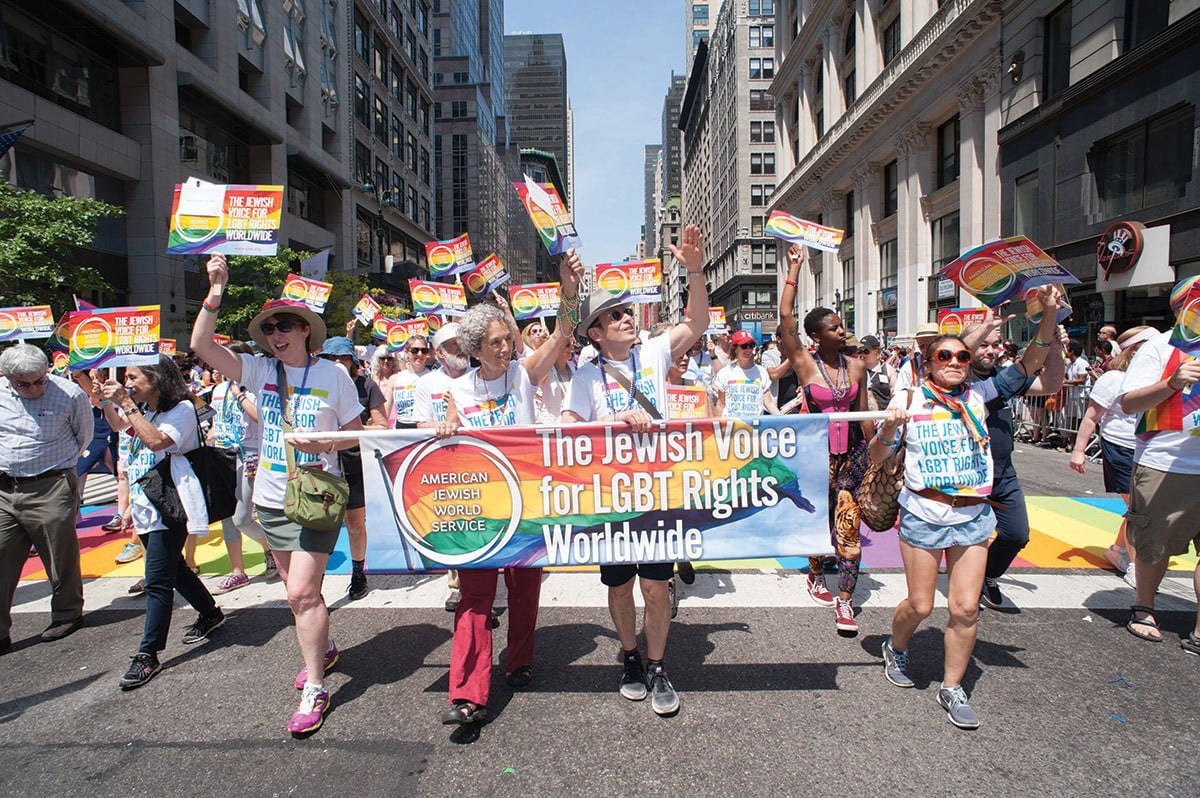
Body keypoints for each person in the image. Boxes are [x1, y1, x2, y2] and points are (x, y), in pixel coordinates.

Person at [192, 254, 364, 736]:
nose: (276, 334)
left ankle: (315, 684)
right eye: (270, 328)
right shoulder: (256, 369)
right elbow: (201, 343)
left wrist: (325, 442)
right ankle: (324, 648)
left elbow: (357, 435)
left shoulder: (334, 375)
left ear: (305, 329)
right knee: (298, 599)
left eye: (286, 325)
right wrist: (216, 289)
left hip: (317, 498)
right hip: (270, 499)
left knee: (301, 592)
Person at [562, 224, 709, 716]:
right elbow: (566, 431)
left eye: (628, 310)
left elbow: (699, 321)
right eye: (615, 314)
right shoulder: (585, 376)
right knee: (620, 585)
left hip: (658, 490)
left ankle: (659, 664)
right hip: (609, 497)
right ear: (596, 333)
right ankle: (629, 658)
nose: (628, 317)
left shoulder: (655, 351)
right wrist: (613, 419)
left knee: (655, 586)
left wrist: (693, 267)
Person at [437, 251, 582, 727]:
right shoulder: (456, 391)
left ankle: (519, 661)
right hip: (480, 511)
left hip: (527, 504)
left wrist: (567, 288)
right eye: (496, 342)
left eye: (508, 339)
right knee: (474, 598)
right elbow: (440, 440)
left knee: (524, 591)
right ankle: (468, 694)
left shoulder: (524, 374)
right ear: (475, 350)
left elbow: (562, 333)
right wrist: (445, 426)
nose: (507, 348)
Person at [873, 334, 999, 730]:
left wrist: (1047, 319)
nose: (956, 361)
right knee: (921, 605)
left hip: (974, 514)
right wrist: (890, 430)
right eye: (945, 355)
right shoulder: (909, 399)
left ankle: (952, 687)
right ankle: (896, 647)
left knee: (965, 607)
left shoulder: (976, 396)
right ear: (927, 363)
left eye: (963, 355)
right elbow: (877, 456)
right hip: (924, 514)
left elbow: (1032, 369)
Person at [98, 355, 224, 689]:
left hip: (169, 504)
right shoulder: (146, 409)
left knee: (156, 580)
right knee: (174, 569)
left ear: (156, 378)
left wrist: (126, 403)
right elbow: (118, 426)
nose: (128, 383)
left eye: (134, 377)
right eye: (125, 378)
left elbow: (156, 441)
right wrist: (109, 399)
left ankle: (148, 654)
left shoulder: (180, 410)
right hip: (145, 503)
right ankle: (210, 612)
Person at [779, 244, 873, 634]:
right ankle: (815, 572)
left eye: (842, 325)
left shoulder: (857, 365)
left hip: (852, 458)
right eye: (833, 327)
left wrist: (880, 455)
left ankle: (845, 601)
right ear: (816, 336)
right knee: (820, 523)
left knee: (848, 528)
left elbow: (866, 415)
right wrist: (795, 269)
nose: (842, 329)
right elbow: (785, 316)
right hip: (815, 458)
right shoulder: (804, 362)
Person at [962, 291, 1066, 609]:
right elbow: (955, 353)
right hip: (967, 473)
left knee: (1016, 534)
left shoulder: (1001, 377)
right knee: (967, 538)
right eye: (985, 343)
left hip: (1004, 472)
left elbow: (1049, 384)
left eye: (997, 344)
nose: (993, 350)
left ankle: (987, 575)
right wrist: (983, 326)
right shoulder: (956, 380)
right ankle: (967, 586)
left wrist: (1057, 346)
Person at [1118, 276, 1200, 653]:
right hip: (1167, 464)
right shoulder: (1160, 346)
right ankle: (1144, 607)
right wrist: (1171, 382)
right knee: (1154, 546)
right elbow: (1129, 403)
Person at [0, 344, 91, 653]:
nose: (33, 388)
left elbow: (84, 436)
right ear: (8, 377)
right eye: (23, 383)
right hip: (5, 489)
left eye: (39, 380)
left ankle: (66, 613)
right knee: (2, 556)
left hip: (50, 485)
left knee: (59, 554)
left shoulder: (69, 394)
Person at [1069, 326, 1158, 590]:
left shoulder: (1159, 378)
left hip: (1148, 449)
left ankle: (1119, 550)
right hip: (1119, 446)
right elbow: (1091, 417)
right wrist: (1078, 451)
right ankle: (1135, 564)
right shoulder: (1113, 379)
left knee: (1139, 508)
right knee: (1139, 508)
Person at [318, 336, 387, 600]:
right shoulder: (315, 384)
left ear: (353, 362)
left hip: (355, 463)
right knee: (321, 525)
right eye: (330, 358)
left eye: (342, 358)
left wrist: (351, 432)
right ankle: (315, 580)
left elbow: (382, 427)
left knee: (355, 523)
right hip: (322, 466)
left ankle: (358, 572)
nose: (336, 363)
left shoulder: (366, 385)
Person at [208, 342, 276, 593]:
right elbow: (217, 421)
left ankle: (271, 549)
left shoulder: (255, 387)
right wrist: (211, 437)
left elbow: (263, 418)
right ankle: (238, 570)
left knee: (242, 517)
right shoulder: (217, 390)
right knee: (227, 517)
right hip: (223, 456)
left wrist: (239, 394)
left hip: (251, 457)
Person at [412, 322, 470, 613]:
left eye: (461, 342)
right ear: (439, 353)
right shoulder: (426, 384)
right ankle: (457, 586)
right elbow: (420, 423)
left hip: (477, 461)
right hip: (444, 463)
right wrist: (446, 426)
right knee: (453, 524)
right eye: (451, 345)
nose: (459, 348)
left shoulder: (480, 376)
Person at [713, 330, 779, 417]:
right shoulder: (724, 373)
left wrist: (785, 421)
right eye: (744, 346)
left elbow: (768, 403)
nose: (748, 350)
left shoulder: (762, 372)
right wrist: (714, 427)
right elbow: (721, 404)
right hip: (731, 427)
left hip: (755, 427)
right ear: (735, 348)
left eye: (751, 346)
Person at [386, 335, 431, 428]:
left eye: (424, 351)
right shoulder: (394, 379)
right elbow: (385, 413)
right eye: (415, 350)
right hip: (401, 430)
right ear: (407, 352)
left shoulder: (433, 377)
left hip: (425, 429)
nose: (420, 354)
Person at [893, 322, 941, 393]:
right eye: (922, 346)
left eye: (930, 345)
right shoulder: (909, 367)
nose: (926, 349)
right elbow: (899, 394)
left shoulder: (952, 362)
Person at [860, 335, 894, 411]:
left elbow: (894, 392)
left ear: (876, 350)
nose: (862, 354)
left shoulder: (888, 369)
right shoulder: (857, 369)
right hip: (864, 416)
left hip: (884, 414)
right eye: (860, 351)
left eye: (866, 351)